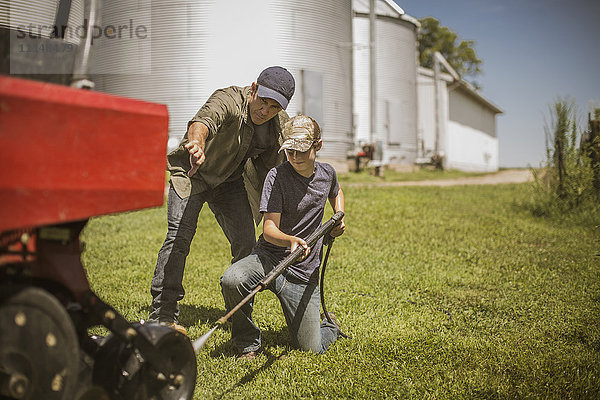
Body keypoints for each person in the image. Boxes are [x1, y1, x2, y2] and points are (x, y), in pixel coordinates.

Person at [149, 66, 296, 335]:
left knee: (246, 245)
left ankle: (238, 313)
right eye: (263, 102)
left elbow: (290, 161)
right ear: (253, 89)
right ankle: (163, 315)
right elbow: (203, 122)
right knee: (179, 239)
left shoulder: (278, 124)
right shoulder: (229, 98)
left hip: (230, 183)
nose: (265, 111)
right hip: (193, 175)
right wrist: (196, 144)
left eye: (274, 107)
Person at [220, 115, 346, 358]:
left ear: (317, 146)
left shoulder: (327, 173)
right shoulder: (276, 177)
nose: (295, 158)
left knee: (312, 348)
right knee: (232, 279)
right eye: (290, 152)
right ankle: (247, 343)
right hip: (268, 258)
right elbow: (269, 230)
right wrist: (290, 241)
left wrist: (339, 215)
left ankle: (330, 325)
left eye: (301, 151)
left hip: (303, 272)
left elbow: (336, 189)